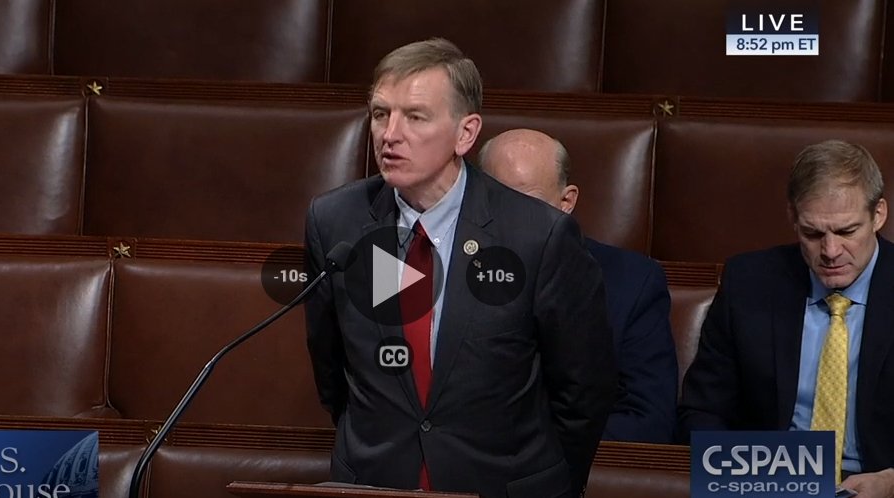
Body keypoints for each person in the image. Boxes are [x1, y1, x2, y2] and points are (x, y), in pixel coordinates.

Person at [303, 38, 618, 498]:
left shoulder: (537, 236)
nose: (390, 134)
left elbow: (583, 390)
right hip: (375, 481)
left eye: (415, 117)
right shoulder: (335, 221)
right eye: (380, 114)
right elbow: (332, 370)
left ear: (465, 134)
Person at [678, 140, 894, 498]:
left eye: (846, 231)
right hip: (767, 481)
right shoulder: (749, 283)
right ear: (793, 217)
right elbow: (702, 413)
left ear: (879, 215)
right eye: (813, 233)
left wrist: (890, 483)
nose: (830, 251)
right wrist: (759, 478)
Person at [478, 128, 678, 444]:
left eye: (528, 204)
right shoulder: (441, 267)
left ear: (566, 201)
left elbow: (647, 419)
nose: (511, 220)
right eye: (495, 201)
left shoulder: (631, 282)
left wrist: (533, 452)